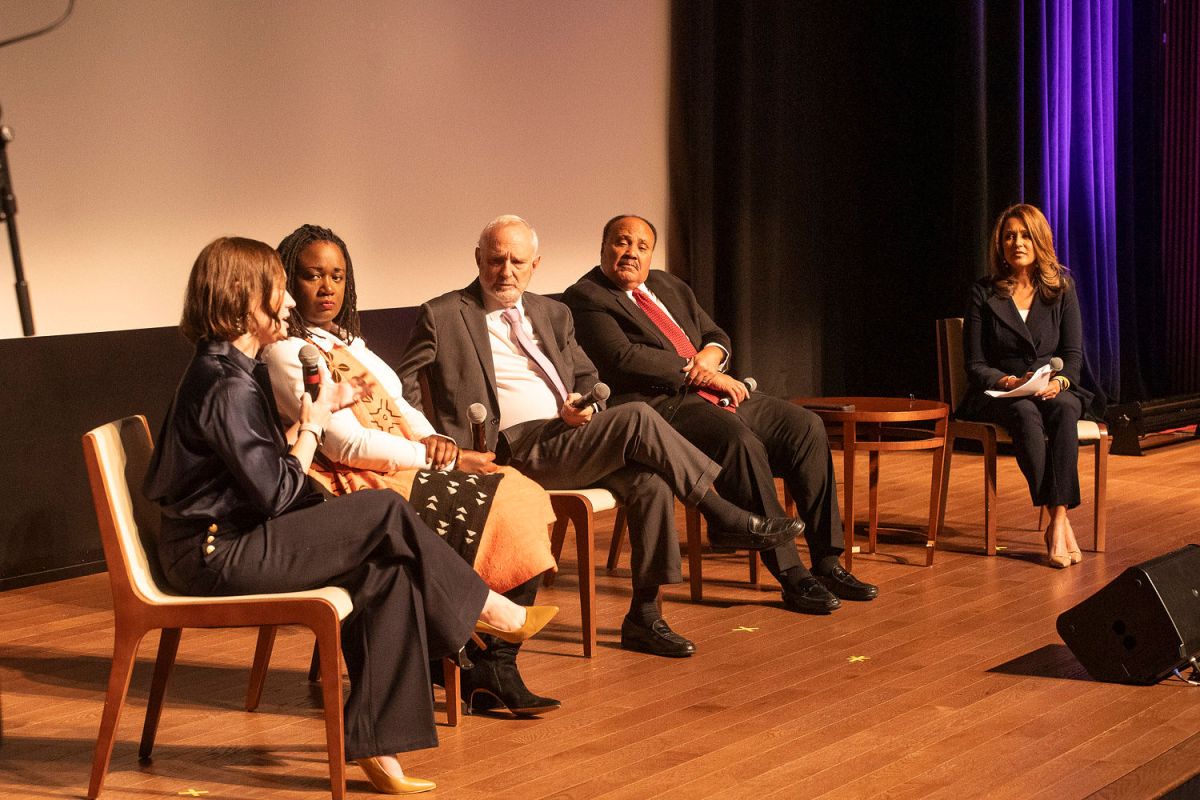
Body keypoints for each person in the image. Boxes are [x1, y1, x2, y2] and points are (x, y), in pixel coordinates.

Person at [143, 236, 555, 795]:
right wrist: (312, 423)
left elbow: (265, 474)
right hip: (215, 553)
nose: (289, 303)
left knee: (385, 572)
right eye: (278, 291)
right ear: (244, 300)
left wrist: (310, 420)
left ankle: (377, 746)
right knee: (384, 508)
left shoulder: (232, 371)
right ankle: (486, 612)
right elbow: (280, 493)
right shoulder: (222, 383)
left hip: (236, 537)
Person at [396, 215, 805, 659]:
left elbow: (586, 373)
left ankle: (644, 616)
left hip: (568, 435)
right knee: (636, 418)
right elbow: (402, 385)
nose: (506, 272)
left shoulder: (552, 312)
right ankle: (721, 512)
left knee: (650, 482)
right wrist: (436, 439)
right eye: (496, 261)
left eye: (517, 261)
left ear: (535, 264)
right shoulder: (443, 313)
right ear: (479, 259)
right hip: (507, 449)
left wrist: (584, 402)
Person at [262, 224, 561, 717]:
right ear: (288, 282)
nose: (327, 287)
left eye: (337, 275)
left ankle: (492, 664)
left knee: (521, 492)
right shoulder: (288, 352)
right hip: (351, 480)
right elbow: (347, 443)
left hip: (401, 462)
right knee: (505, 500)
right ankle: (467, 656)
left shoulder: (348, 341)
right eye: (313, 275)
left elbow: (401, 404)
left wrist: (435, 440)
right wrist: (436, 458)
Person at [563, 215, 878, 614]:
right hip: (662, 405)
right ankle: (792, 574)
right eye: (622, 243)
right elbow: (623, 358)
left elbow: (716, 336)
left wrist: (711, 360)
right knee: (739, 442)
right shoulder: (587, 296)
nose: (631, 253)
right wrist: (699, 373)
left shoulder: (668, 285)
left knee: (806, 427)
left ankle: (828, 561)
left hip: (714, 392)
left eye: (642, 247)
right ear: (604, 245)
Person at [958, 203, 1093, 568]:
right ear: (1000, 245)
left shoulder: (1062, 289)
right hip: (1000, 392)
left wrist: (1061, 381)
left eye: (1024, 235)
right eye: (1009, 236)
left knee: (1066, 407)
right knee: (1024, 410)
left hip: (1051, 384)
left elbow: (1072, 355)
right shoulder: (983, 293)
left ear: (1039, 241)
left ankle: (1058, 519)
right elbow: (975, 364)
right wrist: (1008, 381)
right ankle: (1058, 517)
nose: (1017, 242)